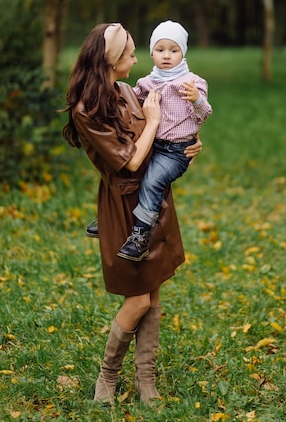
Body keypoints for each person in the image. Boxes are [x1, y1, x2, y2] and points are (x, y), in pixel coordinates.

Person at [62, 23, 202, 405]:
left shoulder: (125, 90)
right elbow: (130, 160)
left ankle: (146, 380)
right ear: (111, 60)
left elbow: (162, 133)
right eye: (131, 54)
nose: (138, 60)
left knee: (153, 296)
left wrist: (190, 137)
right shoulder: (87, 110)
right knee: (138, 299)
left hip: (153, 201)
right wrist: (154, 121)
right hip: (125, 206)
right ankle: (107, 377)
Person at [116, 20, 212, 261]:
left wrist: (196, 99)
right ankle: (113, 220)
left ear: (183, 52)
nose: (166, 55)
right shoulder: (146, 83)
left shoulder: (193, 83)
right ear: (151, 53)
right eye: (160, 50)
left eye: (173, 50)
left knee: (152, 182)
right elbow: (130, 104)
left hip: (176, 152)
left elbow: (204, 114)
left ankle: (140, 236)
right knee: (129, 177)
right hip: (152, 145)